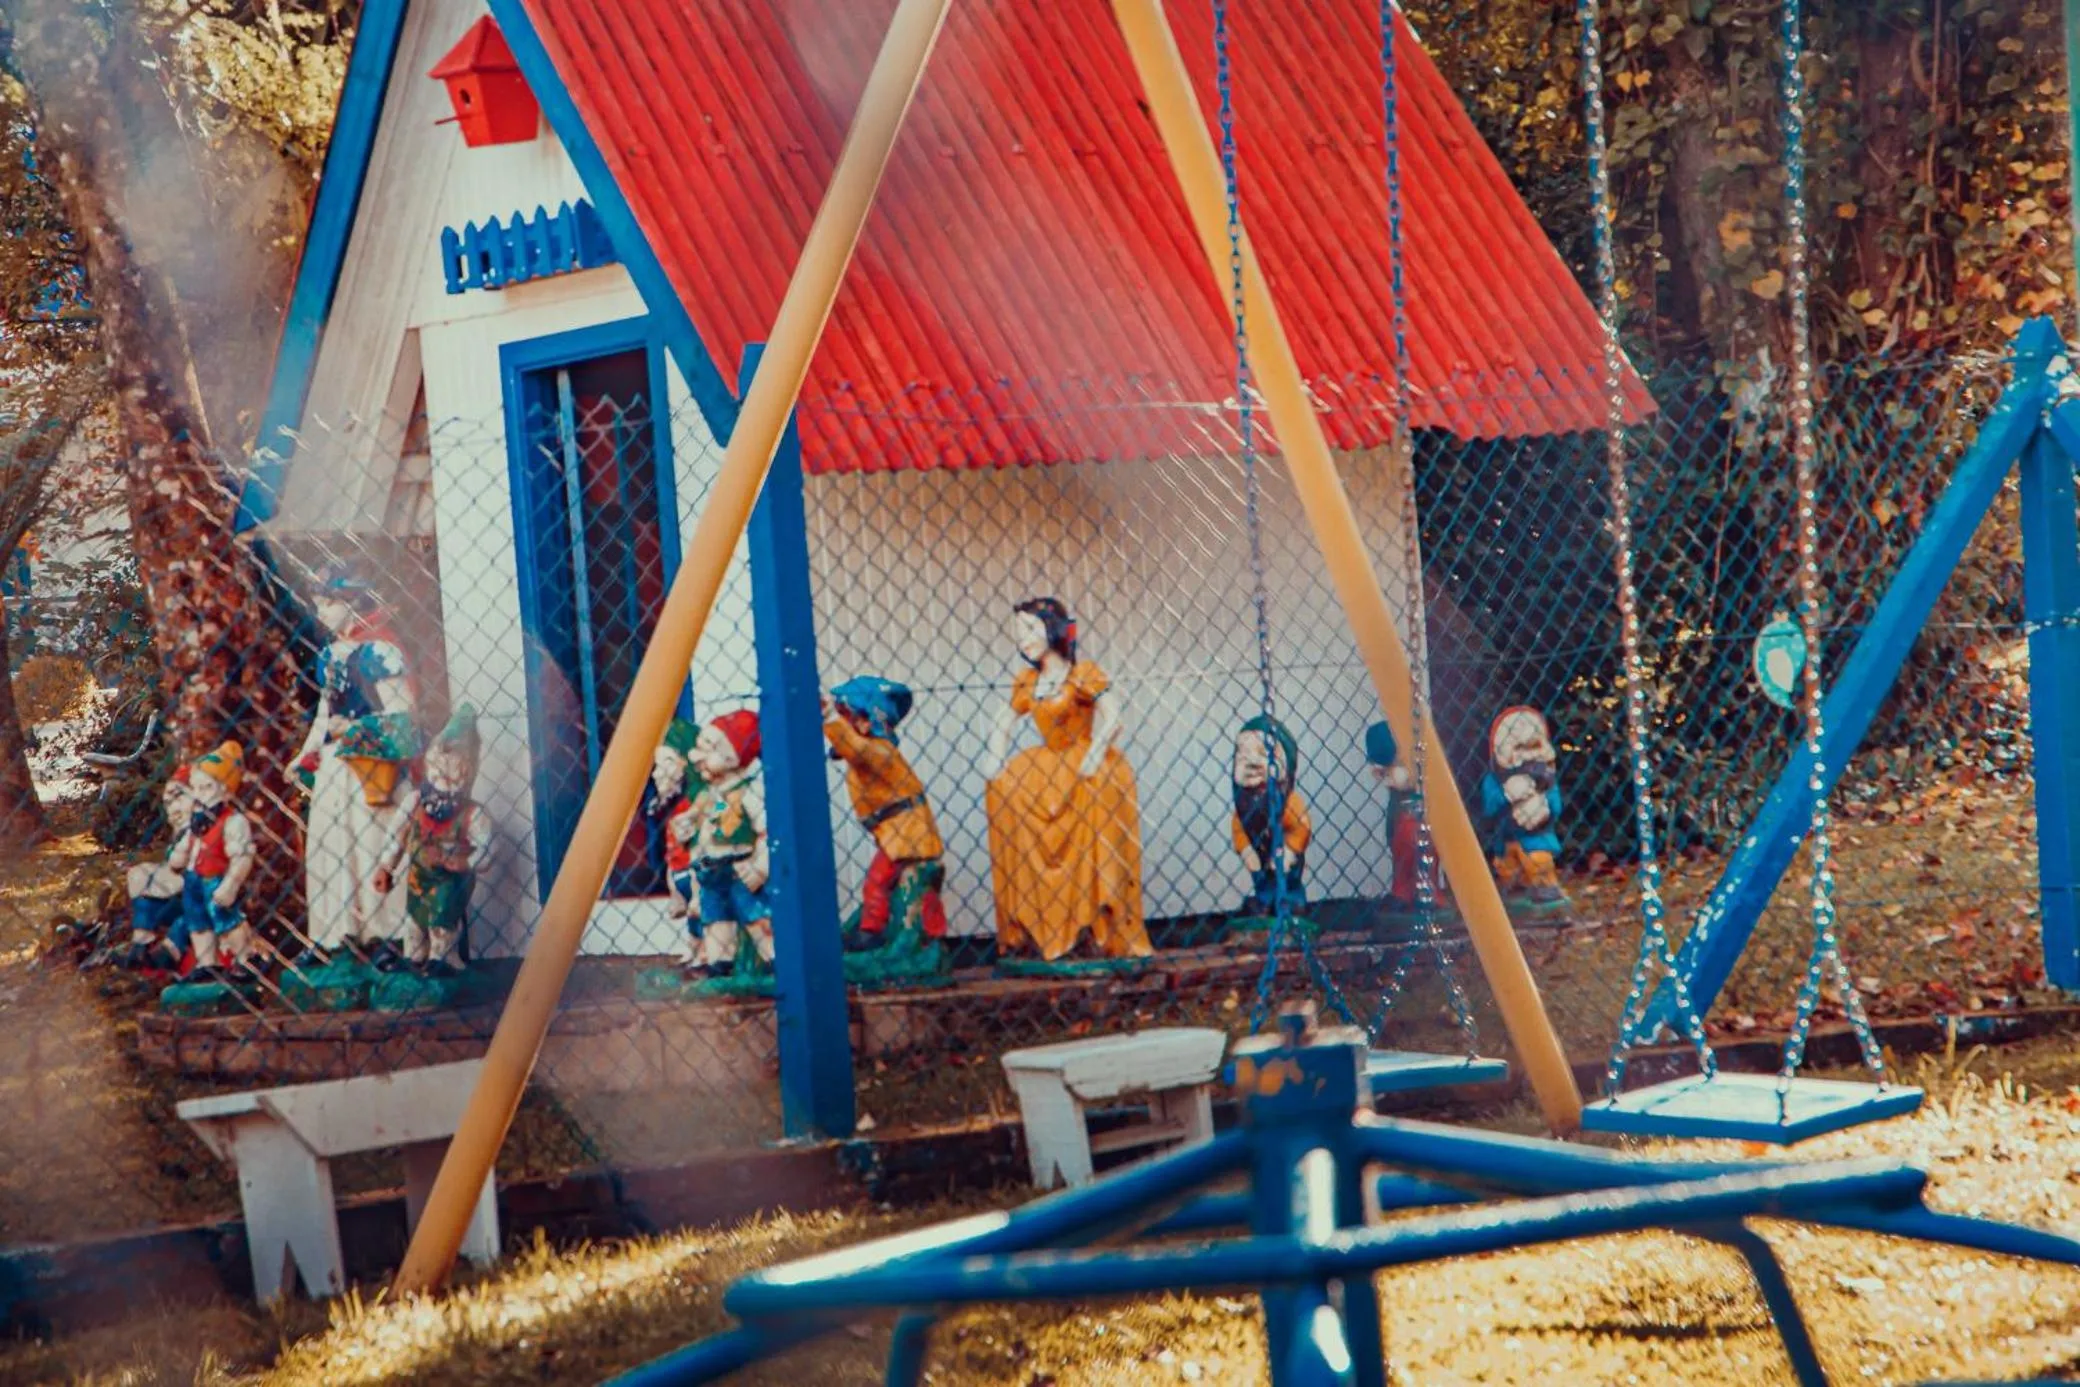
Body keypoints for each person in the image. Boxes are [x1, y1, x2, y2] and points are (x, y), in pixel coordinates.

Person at [984, 597, 1150, 961]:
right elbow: (1003, 720)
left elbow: (1114, 716)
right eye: (1018, 632)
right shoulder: (1028, 681)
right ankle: (1035, 920)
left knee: (1095, 794)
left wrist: (1095, 751)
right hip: (1046, 764)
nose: (1023, 639)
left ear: (1053, 629)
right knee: (1004, 789)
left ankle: (1092, 922)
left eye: (1030, 629)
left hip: (1083, 755)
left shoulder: (1081, 674)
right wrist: (995, 753)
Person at [294, 567, 416, 961]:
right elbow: (324, 713)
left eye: (329, 604)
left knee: (371, 844)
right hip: (335, 763)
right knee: (330, 845)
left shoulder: (381, 651)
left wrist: (358, 727)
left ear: (353, 603)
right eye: (320, 605)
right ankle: (335, 934)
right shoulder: (330, 655)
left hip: (371, 765)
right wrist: (306, 751)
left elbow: (403, 714)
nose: (323, 613)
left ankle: (387, 937)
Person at [824, 676, 948, 959]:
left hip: (907, 833)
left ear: (868, 722)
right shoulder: (866, 753)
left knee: (878, 880)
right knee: (885, 881)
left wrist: (830, 718)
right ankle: (874, 927)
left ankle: (872, 931)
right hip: (895, 832)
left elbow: (856, 749)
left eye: (847, 717)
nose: (842, 724)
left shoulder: (878, 752)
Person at [1479, 706, 1566, 907]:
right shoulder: (1495, 779)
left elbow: (1556, 804)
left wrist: (1543, 806)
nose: (1525, 756)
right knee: (1506, 867)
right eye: (1518, 749)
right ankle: (1514, 891)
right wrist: (1507, 794)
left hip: (1536, 838)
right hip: (1506, 840)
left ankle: (1545, 890)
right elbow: (1489, 808)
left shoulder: (1546, 779)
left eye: (1532, 747)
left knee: (1539, 860)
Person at [1231, 715, 1310, 916]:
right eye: (1242, 755)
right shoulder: (1243, 804)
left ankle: (1292, 901)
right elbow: (1239, 828)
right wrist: (1247, 850)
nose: (1252, 763)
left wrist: (1290, 850)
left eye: (1265, 753)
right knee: (1262, 881)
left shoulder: (1289, 801)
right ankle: (1264, 902)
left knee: (1288, 879)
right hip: (1258, 852)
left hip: (1285, 852)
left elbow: (1301, 826)